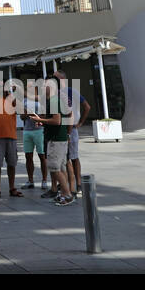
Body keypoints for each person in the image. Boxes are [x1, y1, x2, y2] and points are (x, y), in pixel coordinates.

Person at [33, 78, 74, 205]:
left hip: (56, 140)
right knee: (61, 168)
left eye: (45, 85)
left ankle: (67, 195)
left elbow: (57, 121)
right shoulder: (54, 100)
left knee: (55, 168)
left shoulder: (54, 101)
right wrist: (42, 121)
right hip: (59, 138)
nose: (42, 88)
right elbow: (56, 120)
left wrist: (40, 120)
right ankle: (64, 193)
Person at [56, 69, 92, 198]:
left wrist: (80, 123)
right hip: (62, 128)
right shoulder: (57, 93)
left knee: (71, 157)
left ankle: (77, 184)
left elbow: (87, 107)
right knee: (66, 158)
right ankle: (71, 184)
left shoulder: (70, 92)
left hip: (70, 128)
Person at [21, 84, 49, 191]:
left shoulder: (41, 100)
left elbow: (46, 115)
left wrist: (39, 117)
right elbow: (22, 117)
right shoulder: (24, 101)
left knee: (42, 156)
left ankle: (44, 180)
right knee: (28, 156)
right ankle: (30, 180)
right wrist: (27, 114)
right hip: (27, 131)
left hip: (39, 131)